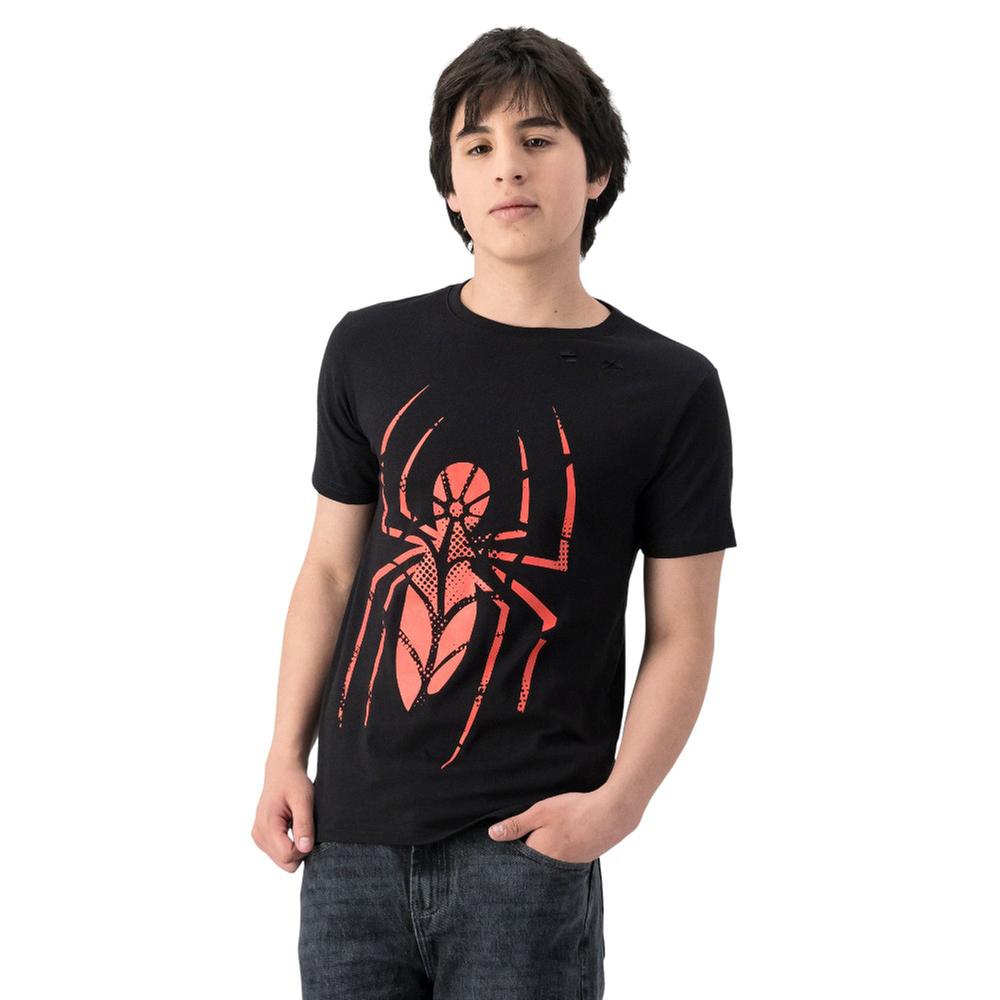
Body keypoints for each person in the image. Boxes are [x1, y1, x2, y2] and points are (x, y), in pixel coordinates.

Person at [252, 26, 737, 1000]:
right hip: (350, 839)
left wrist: (620, 804)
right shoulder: (369, 348)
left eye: (539, 139)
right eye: (477, 146)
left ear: (596, 171)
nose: (507, 166)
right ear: (450, 186)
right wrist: (282, 757)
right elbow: (333, 572)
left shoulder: (670, 388)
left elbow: (682, 631)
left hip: (524, 848)